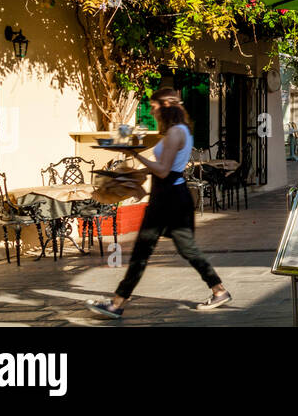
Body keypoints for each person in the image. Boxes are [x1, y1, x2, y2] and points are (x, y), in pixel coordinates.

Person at [86, 88, 231, 319]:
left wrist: (134, 153)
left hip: (169, 200)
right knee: (181, 250)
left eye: (154, 106)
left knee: (147, 252)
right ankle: (218, 290)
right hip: (170, 196)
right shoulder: (177, 131)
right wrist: (133, 175)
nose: (151, 110)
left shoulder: (175, 133)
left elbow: (163, 171)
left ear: (165, 106)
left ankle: (117, 304)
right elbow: (166, 167)